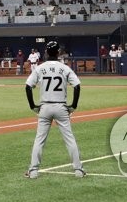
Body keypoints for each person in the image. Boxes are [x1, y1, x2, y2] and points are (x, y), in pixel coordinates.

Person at [24, 41, 85, 179]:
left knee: (39, 139)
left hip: (44, 107)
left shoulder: (40, 68)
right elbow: (77, 86)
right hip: (61, 107)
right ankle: (78, 170)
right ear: (58, 52)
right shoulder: (65, 68)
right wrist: (73, 105)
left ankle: (33, 171)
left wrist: (33, 106)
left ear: (46, 52)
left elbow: (28, 86)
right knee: (69, 139)